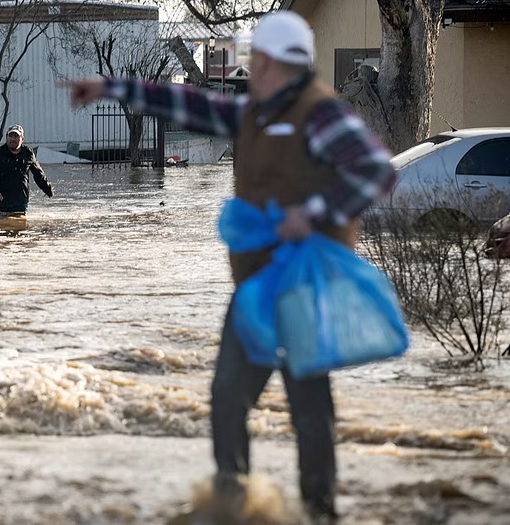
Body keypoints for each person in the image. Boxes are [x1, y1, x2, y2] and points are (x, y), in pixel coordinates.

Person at [63, 10, 396, 523]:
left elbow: (375, 170)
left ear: (270, 62)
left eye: (255, 57)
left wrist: (313, 213)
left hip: (305, 288)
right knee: (227, 397)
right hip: (256, 288)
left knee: (309, 408)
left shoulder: (320, 114)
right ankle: (231, 501)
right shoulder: (252, 113)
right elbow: (192, 104)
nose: (250, 67)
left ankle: (319, 511)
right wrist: (111, 87)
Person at [0, 124, 53, 217]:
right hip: (1, 204)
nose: (13, 139)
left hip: (20, 204)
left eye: (16, 136)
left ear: (22, 139)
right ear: (6, 137)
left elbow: (38, 174)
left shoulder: (28, 153)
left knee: (20, 225)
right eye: (10, 136)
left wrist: (48, 190)